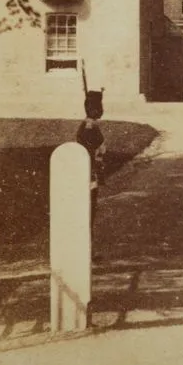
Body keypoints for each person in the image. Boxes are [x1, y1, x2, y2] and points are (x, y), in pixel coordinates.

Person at [76, 90, 105, 257]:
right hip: (89, 175)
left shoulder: (92, 125)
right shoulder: (89, 126)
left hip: (92, 173)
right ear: (91, 109)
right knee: (88, 212)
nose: (101, 110)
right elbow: (87, 151)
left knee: (91, 212)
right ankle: (85, 252)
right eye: (98, 107)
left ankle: (88, 250)